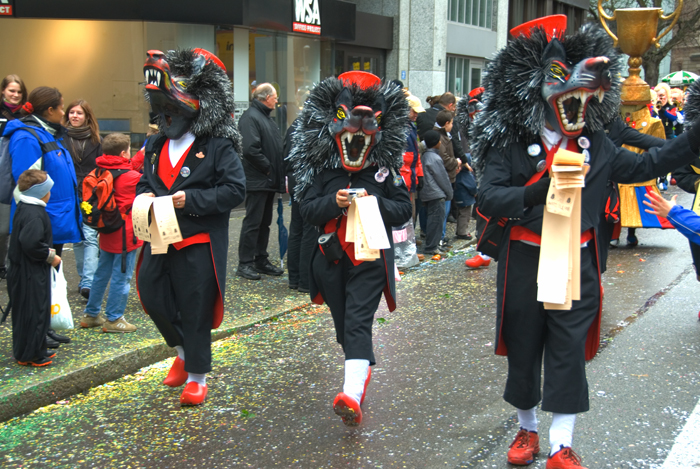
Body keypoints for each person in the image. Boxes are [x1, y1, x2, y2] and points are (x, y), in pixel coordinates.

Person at [472, 16, 700, 468]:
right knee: (524, 345)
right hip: (525, 259)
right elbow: (489, 196)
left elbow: (644, 164)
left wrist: (693, 138)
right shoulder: (512, 142)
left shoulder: (597, 142)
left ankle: (561, 443)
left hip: (579, 262)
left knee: (568, 350)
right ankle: (527, 429)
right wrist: (536, 190)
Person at [289, 71, 412, 426]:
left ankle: (352, 393)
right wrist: (335, 201)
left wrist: (373, 200)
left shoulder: (387, 169)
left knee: (358, 320)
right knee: (345, 327)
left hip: (370, 256)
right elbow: (307, 209)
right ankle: (359, 371)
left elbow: (403, 210)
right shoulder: (320, 169)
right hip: (329, 259)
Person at [136, 48, 246, 406]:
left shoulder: (218, 146)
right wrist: (142, 200)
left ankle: (197, 376)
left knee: (195, 306)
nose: (166, 115)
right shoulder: (154, 144)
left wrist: (192, 200)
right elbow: (144, 183)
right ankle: (182, 351)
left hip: (197, 241)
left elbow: (235, 190)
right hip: (158, 236)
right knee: (151, 297)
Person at [79, 133, 142, 333]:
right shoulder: (133, 178)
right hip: (125, 235)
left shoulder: (99, 171)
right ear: (124, 152)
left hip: (105, 230)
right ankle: (114, 318)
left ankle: (91, 314)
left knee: (101, 273)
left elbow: (129, 165)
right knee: (121, 277)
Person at [5, 170, 61, 366]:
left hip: (21, 270)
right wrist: (50, 256)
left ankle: (28, 350)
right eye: (48, 190)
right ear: (41, 193)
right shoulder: (35, 214)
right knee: (34, 311)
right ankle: (33, 355)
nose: (50, 194)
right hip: (30, 272)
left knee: (24, 313)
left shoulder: (24, 207)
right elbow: (31, 243)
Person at [236, 83, 285, 280]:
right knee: (253, 222)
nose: (276, 100)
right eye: (275, 96)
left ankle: (260, 259)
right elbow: (250, 149)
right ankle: (245, 263)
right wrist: (268, 167)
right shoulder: (251, 118)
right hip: (259, 179)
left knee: (264, 223)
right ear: (265, 98)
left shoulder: (262, 117)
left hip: (266, 179)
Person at [62, 99, 102, 299]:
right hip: (68, 194)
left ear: (87, 116)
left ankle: (88, 283)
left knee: (90, 237)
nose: (75, 116)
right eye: (71, 112)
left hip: (90, 195)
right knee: (77, 239)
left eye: (79, 113)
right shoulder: (60, 138)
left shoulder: (97, 140)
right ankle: (83, 280)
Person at [0, 74, 28, 279]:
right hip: (2, 175)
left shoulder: (27, 113)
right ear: (3, 91)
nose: (15, 95)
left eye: (19, 92)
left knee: (15, 226)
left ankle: (13, 264)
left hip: (19, 173)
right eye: (11, 91)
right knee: (2, 229)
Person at [419, 130, 453, 255]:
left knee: (432, 220)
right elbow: (442, 178)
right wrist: (449, 193)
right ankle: (432, 246)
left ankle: (433, 244)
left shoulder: (425, 156)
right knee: (436, 221)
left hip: (428, 193)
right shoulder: (434, 158)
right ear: (436, 143)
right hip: (436, 193)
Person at [435, 110, 460, 248]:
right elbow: (444, 159)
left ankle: (440, 237)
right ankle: (440, 238)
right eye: (451, 123)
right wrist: (457, 162)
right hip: (445, 177)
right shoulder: (441, 137)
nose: (452, 125)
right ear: (446, 123)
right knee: (443, 211)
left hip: (447, 176)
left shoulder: (443, 135)